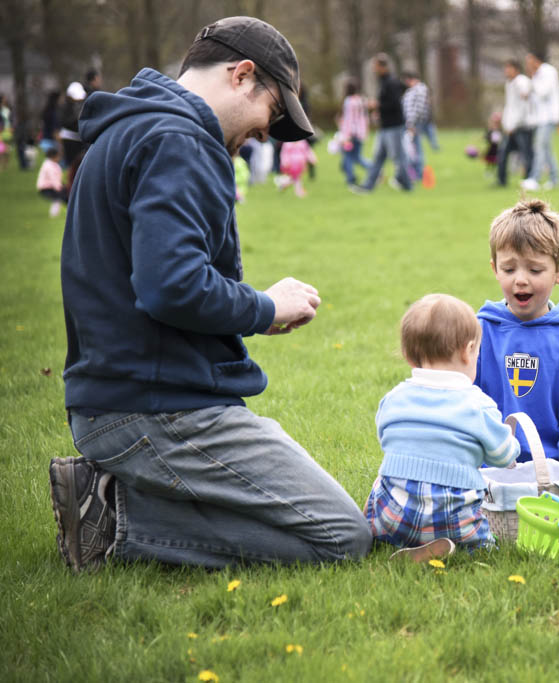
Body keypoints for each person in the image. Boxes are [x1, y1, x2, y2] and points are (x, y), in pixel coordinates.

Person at [49, 15, 372, 572]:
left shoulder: (132, 129)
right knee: (341, 535)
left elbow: (158, 277)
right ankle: (113, 517)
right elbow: (170, 286)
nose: (265, 134)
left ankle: (110, 495)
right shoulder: (181, 140)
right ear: (243, 74)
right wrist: (266, 307)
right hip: (155, 409)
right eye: (272, 114)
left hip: (120, 399)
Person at [364, 294, 521, 562]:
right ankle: (454, 546)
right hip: (455, 518)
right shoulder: (477, 404)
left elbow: (386, 438)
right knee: (486, 545)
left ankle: (386, 538)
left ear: (408, 355)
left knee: (383, 482)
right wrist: (510, 442)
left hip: (395, 515)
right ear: (467, 350)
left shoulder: (393, 398)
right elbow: (505, 457)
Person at [475, 199, 559, 471]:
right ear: (494, 269)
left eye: (534, 270)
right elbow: (461, 403)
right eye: (509, 269)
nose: (520, 279)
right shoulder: (478, 333)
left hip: (554, 467)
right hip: (490, 470)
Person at [352, 54, 411, 193]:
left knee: (398, 157)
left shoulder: (391, 82)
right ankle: (368, 186)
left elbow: (395, 104)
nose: (374, 69)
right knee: (378, 157)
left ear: (382, 66)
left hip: (394, 127)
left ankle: (408, 185)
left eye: (375, 66)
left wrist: (377, 105)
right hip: (385, 127)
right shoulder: (384, 82)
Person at [521, 52, 559, 191]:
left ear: (535, 60)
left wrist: (532, 80)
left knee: (539, 147)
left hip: (549, 117)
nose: (527, 66)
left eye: (529, 62)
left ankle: (534, 178)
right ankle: (555, 178)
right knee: (546, 149)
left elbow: (543, 92)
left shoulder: (548, 71)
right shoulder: (536, 75)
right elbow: (534, 98)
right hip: (540, 119)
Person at [496, 59, 533, 188]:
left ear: (516, 69)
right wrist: (506, 123)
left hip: (522, 126)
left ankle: (529, 180)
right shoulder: (509, 83)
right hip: (510, 127)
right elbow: (510, 106)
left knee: (526, 154)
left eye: (509, 68)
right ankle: (501, 181)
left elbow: (524, 106)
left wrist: (514, 124)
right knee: (502, 154)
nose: (506, 71)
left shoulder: (522, 82)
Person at [336, 80, 371, 187]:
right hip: (360, 132)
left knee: (349, 156)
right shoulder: (361, 100)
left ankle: (351, 178)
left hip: (351, 133)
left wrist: (346, 134)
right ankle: (375, 169)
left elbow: (349, 119)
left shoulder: (348, 101)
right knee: (356, 157)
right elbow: (365, 117)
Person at [400, 71, 432, 181]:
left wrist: (411, 124)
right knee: (412, 148)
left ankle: (417, 173)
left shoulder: (418, 90)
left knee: (415, 149)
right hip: (412, 122)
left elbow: (416, 109)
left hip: (413, 123)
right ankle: (414, 173)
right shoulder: (418, 90)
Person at [36, 146, 68, 217]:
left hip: (51, 186)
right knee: (59, 198)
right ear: (53, 156)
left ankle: (57, 213)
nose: (60, 158)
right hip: (47, 187)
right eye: (58, 156)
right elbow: (53, 178)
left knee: (61, 198)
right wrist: (59, 187)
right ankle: (55, 214)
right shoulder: (49, 166)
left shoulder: (50, 164)